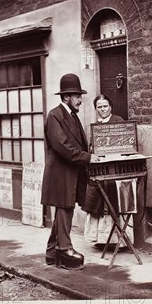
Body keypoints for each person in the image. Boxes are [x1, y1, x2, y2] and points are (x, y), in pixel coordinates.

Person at [41, 73, 98, 270]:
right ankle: (64, 250)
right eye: (77, 96)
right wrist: (88, 158)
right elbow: (62, 146)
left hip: (70, 172)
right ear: (66, 97)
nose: (81, 100)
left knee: (64, 210)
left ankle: (51, 253)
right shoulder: (55, 115)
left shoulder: (71, 116)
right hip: (61, 172)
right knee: (64, 209)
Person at [83, 94, 133, 247]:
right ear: (96, 109)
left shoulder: (118, 121)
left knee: (114, 201)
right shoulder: (94, 125)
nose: (102, 109)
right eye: (99, 107)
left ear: (110, 107)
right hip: (99, 169)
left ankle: (118, 240)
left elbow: (125, 143)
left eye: (105, 106)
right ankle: (101, 240)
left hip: (115, 170)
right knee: (98, 201)